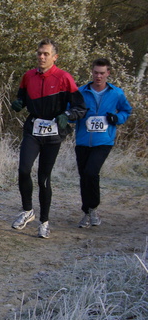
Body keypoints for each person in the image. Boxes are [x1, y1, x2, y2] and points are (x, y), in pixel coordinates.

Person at [10, 39, 86, 238]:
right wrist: (18, 104)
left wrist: (67, 116)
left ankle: (44, 221)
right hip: (33, 130)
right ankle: (27, 211)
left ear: (55, 57)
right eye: (39, 53)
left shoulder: (64, 78)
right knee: (24, 170)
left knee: (44, 179)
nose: (41, 57)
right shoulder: (28, 76)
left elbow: (80, 108)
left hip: (53, 135)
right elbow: (22, 99)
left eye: (46, 54)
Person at [74, 58, 132, 228]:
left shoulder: (116, 93)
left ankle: (93, 208)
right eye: (95, 72)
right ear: (91, 72)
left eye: (102, 73)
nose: (98, 76)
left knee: (92, 172)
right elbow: (70, 109)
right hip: (83, 141)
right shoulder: (81, 92)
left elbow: (126, 110)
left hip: (104, 141)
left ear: (108, 73)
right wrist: (72, 115)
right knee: (84, 175)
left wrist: (117, 118)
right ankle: (87, 212)